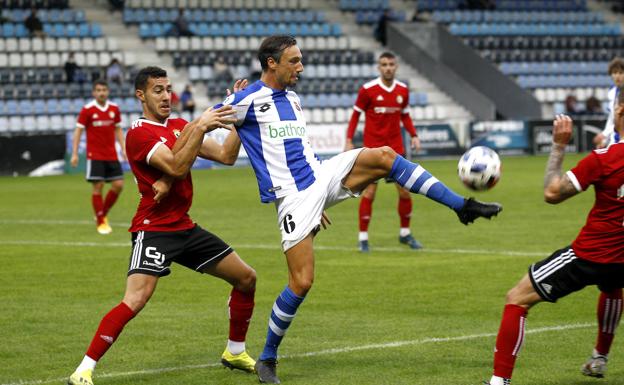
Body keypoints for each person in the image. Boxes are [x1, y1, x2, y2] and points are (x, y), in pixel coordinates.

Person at [214, 35, 502, 384]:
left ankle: (463, 206)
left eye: (300, 59)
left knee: (384, 156)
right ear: (271, 63)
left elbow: (298, 150)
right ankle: (267, 358)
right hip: (293, 197)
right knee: (301, 282)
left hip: (320, 175)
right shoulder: (245, 100)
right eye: (294, 61)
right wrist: (175, 156)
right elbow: (205, 132)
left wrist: (321, 197)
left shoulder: (292, 98)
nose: (301, 67)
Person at [67, 67, 257, 385]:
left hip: (184, 227)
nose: (167, 96)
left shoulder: (182, 126)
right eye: (158, 90)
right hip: (153, 228)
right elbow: (176, 166)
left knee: (246, 278)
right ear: (141, 95)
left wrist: (238, 116)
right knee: (136, 300)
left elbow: (226, 155)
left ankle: (234, 351)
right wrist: (199, 127)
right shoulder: (139, 133)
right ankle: (84, 368)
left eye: (168, 89)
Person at [483, 113, 624, 385]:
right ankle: (599, 358)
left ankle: (499, 382)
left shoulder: (604, 158)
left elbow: (552, 193)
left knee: (517, 297)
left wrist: (559, 146)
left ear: (619, 114)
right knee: (612, 284)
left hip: (592, 254)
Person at [345, 51, 422, 252]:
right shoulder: (368, 90)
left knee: (405, 191)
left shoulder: (403, 90)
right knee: (369, 192)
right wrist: (348, 140)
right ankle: (363, 238)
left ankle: (405, 234)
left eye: (391, 64)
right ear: (379, 68)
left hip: (396, 150)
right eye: (384, 64)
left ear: (395, 67)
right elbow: (355, 116)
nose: (388, 67)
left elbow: (405, 116)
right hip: (373, 151)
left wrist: (414, 135)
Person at [71, 79, 126, 235]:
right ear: (94, 93)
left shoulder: (114, 109)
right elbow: (78, 132)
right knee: (98, 186)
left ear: (107, 92)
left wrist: (123, 148)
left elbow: (118, 130)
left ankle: (101, 213)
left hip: (111, 155)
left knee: (118, 185)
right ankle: (101, 221)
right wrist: (75, 154)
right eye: (98, 90)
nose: (101, 92)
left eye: (104, 90)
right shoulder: (87, 110)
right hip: (94, 155)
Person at [593, 57, 624, 148]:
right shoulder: (612, 92)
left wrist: (604, 134)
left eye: (621, 73)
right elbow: (612, 117)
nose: (617, 76)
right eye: (614, 73)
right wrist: (605, 139)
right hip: (615, 138)